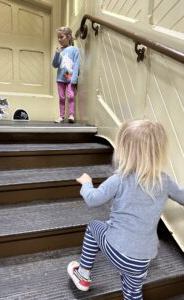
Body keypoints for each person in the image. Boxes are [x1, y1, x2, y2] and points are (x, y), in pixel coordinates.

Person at [67, 119, 184, 299]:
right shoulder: (165, 181)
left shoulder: (120, 178)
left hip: (118, 250)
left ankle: (82, 275)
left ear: (125, 151)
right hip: (143, 260)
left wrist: (87, 183)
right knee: (132, 293)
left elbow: (93, 199)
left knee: (93, 227)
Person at [52, 26, 80, 124]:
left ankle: (71, 115)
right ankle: (61, 116)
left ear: (68, 37)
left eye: (61, 37)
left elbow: (76, 64)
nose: (59, 39)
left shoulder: (74, 50)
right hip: (60, 78)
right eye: (58, 37)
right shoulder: (60, 51)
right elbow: (55, 64)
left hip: (69, 76)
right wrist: (57, 54)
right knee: (62, 97)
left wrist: (74, 78)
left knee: (71, 96)